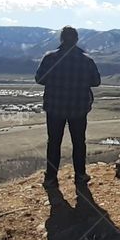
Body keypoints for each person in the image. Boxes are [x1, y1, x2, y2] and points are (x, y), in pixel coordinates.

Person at [36, 26, 101, 186]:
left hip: (55, 107)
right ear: (77, 39)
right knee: (79, 142)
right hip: (78, 108)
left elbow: (39, 79)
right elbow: (96, 81)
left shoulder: (50, 58)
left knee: (53, 142)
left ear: (61, 39)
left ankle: (51, 178)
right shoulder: (86, 60)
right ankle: (80, 175)